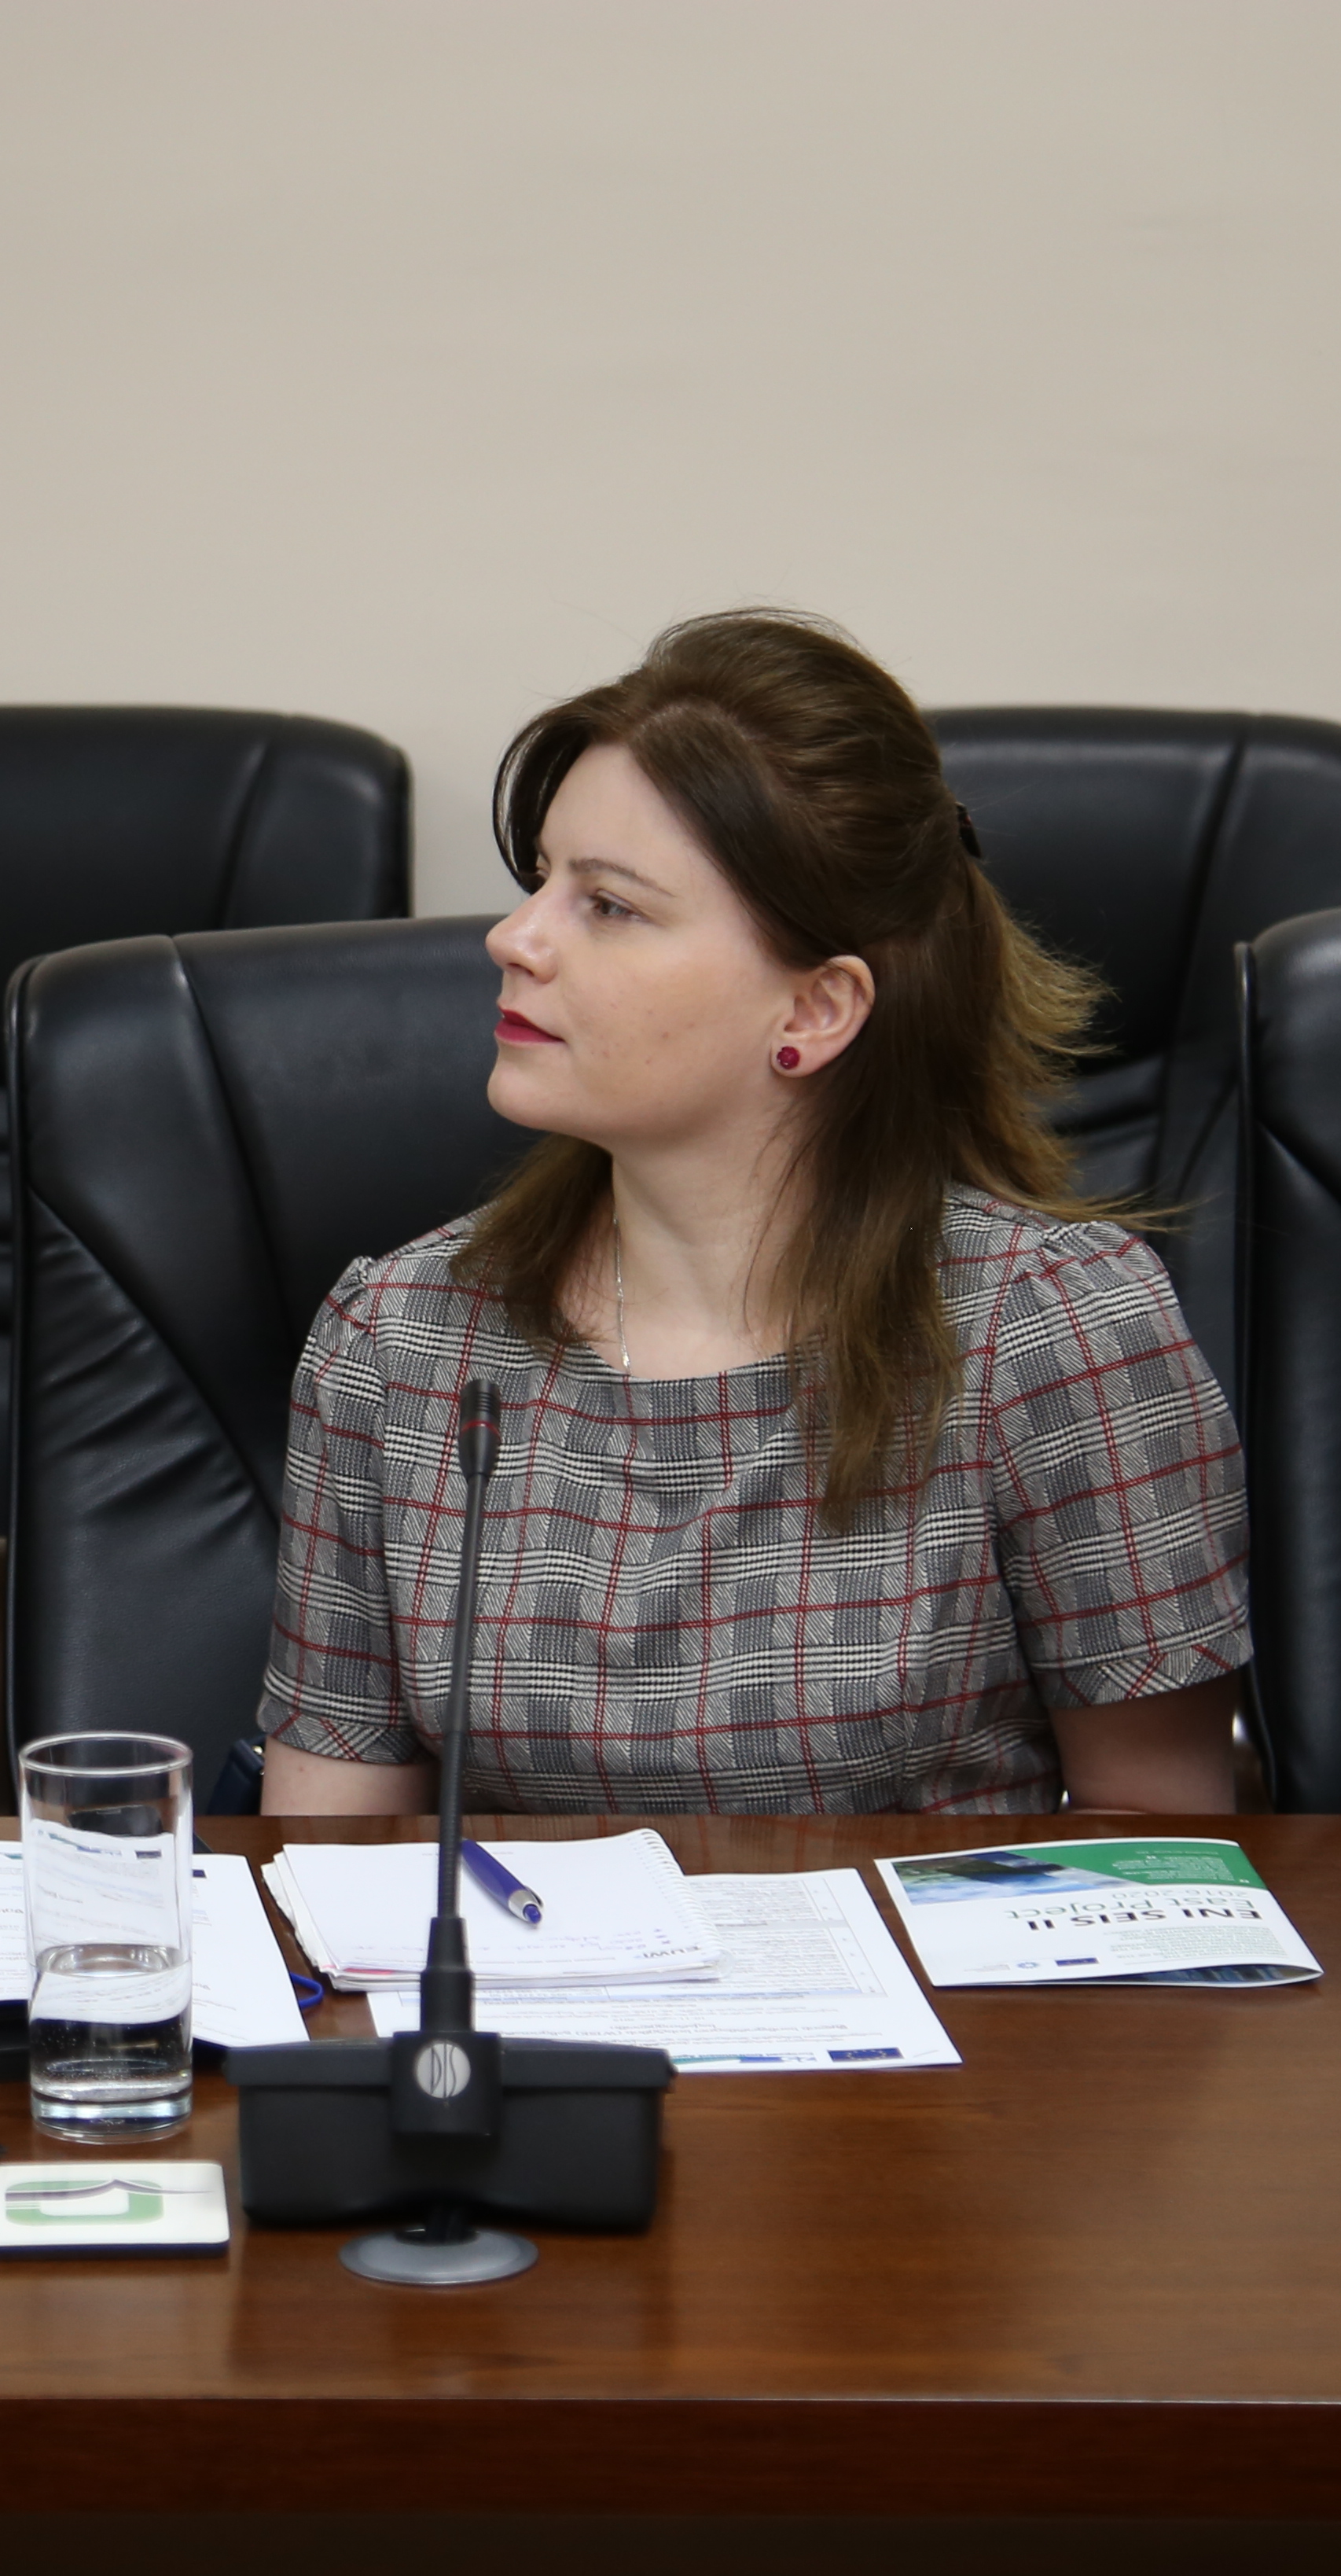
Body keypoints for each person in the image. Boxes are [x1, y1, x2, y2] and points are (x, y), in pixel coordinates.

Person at [258, 611, 1252, 1816]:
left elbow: (1160, 1854)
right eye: (540, 883)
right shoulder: (399, 1337)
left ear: (815, 1011)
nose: (514, 939)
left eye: (609, 905)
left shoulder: (1058, 1331)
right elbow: (325, 1864)